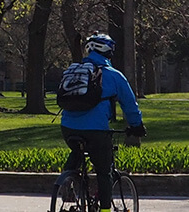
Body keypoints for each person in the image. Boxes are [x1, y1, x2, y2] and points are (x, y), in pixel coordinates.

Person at [59, 32, 145, 212]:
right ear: (108, 52)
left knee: (78, 150)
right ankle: (105, 209)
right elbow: (129, 105)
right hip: (96, 131)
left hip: (67, 128)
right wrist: (137, 126)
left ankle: (68, 182)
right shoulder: (114, 75)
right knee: (103, 171)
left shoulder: (74, 70)